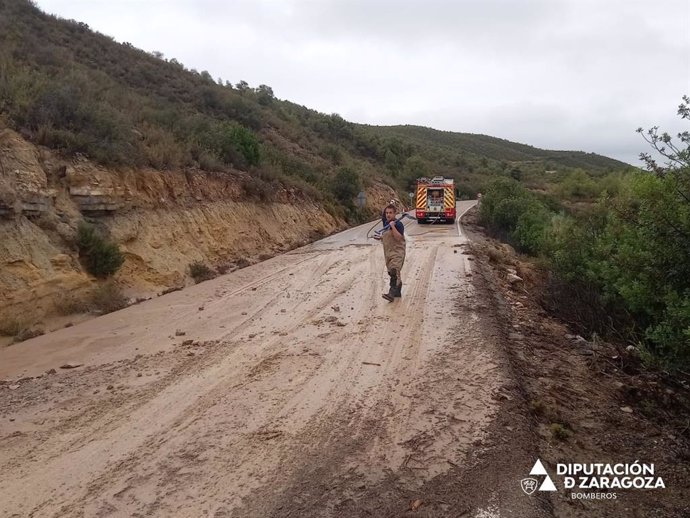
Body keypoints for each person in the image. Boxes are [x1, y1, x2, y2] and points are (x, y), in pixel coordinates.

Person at [377, 203, 406, 301]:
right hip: (388, 252)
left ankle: (391, 293)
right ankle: (398, 291)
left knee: (394, 271)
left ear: (395, 214)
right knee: (391, 272)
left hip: (397, 252)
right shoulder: (386, 223)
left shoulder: (398, 224)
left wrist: (393, 226)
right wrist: (380, 237)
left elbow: (398, 238)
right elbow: (387, 236)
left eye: (390, 213)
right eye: (386, 213)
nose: (388, 215)